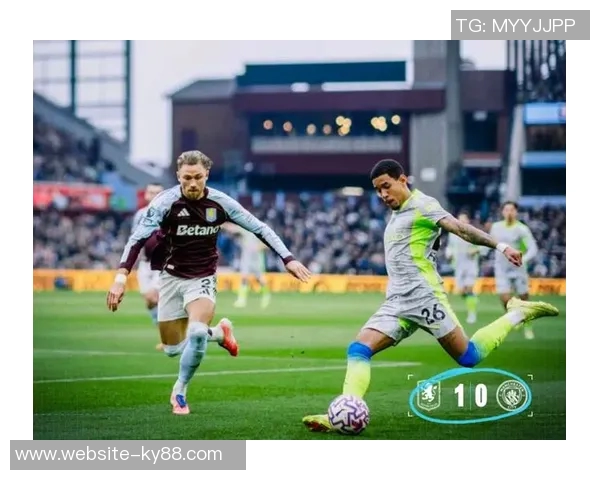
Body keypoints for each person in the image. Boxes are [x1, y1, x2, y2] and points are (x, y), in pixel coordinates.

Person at [302, 159, 558, 433]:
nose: (383, 194)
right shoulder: (398, 212)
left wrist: (501, 246)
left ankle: (517, 313)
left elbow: (460, 228)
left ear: (403, 180)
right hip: (397, 302)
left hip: (425, 298)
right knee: (358, 349)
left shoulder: (423, 205)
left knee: (469, 357)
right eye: (378, 190)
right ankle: (343, 414)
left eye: (386, 186)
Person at [106, 150, 311, 415]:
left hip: (202, 278)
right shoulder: (164, 203)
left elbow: (259, 227)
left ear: (207, 175)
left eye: (198, 177)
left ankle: (180, 390)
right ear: (178, 176)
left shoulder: (221, 203)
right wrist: (120, 279)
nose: (192, 183)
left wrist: (288, 258)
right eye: (187, 178)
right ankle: (221, 333)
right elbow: (136, 240)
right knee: (172, 350)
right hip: (170, 278)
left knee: (197, 333)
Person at [489, 201, 539, 340]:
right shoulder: (496, 227)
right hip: (501, 268)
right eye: (506, 210)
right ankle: (515, 318)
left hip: (518, 268)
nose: (509, 212)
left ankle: (528, 325)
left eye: (512, 210)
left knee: (524, 298)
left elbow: (533, 248)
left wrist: (524, 260)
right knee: (505, 298)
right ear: (502, 212)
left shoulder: (522, 229)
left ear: (516, 212)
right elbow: (490, 242)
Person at [131, 183, 165, 350]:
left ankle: (171, 336)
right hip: (145, 264)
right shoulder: (140, 215)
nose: (154, 196)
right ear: (146, 195)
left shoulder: (169, 214)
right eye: (151, 192)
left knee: (153, 296)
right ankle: (165, 337)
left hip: (162, 263)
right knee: (149, 301)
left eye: (158, 193)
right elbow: (135, 238)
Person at [445, 212, 484, 324]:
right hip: (458, 266)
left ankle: (472, 314)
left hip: (471, 265)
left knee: (469, 289)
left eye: (464, 219)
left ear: (468, 221)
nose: (461, 222)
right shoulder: (452, 234)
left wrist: (476, 250)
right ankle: (473, 299)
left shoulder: (473, 233)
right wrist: (449, 254)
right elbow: (450, 247)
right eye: (460, 219)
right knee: (462, 291)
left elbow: (483, 247)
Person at [222, 223, 271, 309]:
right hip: (246, 256)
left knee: (259, 278)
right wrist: (222, 224)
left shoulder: (258, 229)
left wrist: (258, 248)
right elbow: (233, 229)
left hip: (256, 257)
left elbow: (267, 244)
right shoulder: (245, 228)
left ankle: (266, 295)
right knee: (244, 277)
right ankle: (242, 300)